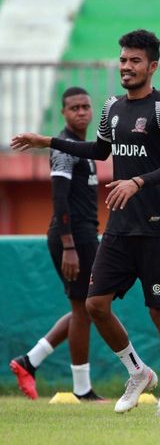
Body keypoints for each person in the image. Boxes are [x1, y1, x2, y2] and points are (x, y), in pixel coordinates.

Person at [11, 29, 160, 416]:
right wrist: (49, 141)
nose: (126, 66)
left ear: (152, 66)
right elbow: (98, 149)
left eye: (135, 60)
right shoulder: (111, 108)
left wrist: (138, 181)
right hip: (119, 228)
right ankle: (138, 371)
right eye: (123, 59)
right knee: (94, 304)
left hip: (158, 227)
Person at [9, 87, 103, 401]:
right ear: (63, 112)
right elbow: (59, 198)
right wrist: (69, 246)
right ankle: (82, 390)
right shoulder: (64, 148)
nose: (81, 112)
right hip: (72, 237)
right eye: (74, 107)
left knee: (85, 308)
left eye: (85, 106)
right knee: (83, 308)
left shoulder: (85, 147)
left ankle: (29, 361)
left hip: (86, 235)